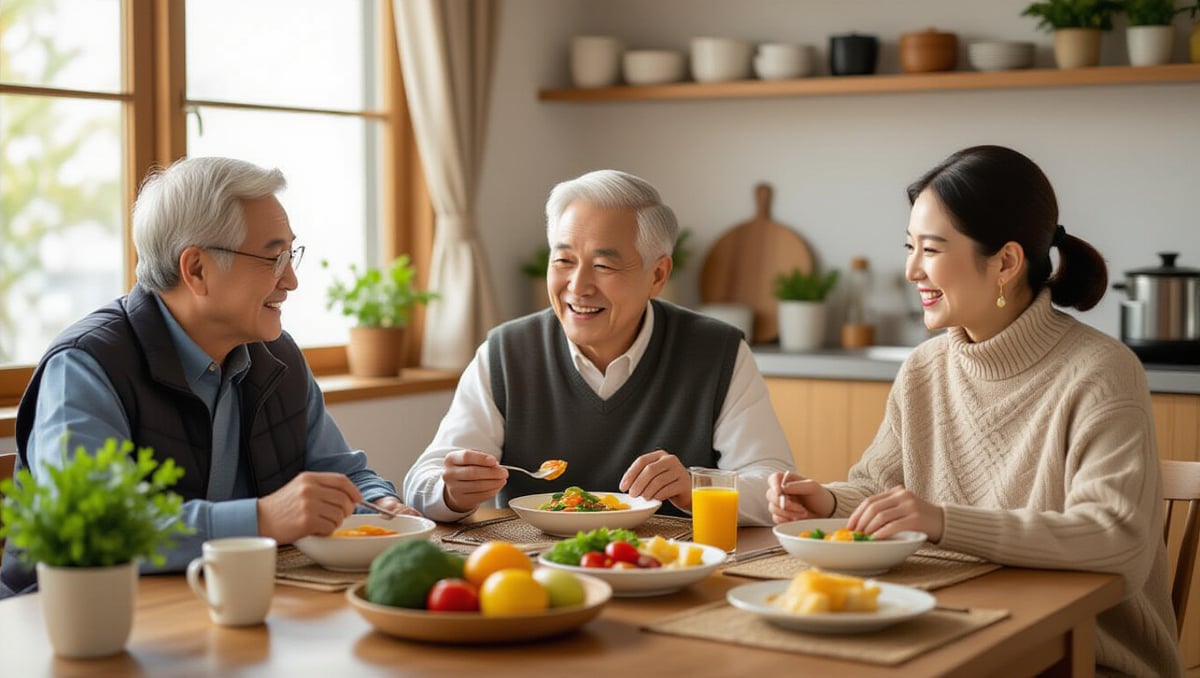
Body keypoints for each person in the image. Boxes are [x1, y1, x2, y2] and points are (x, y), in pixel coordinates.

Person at [766, 145, 1182, 677]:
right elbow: (880, 491)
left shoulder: (1101, 371)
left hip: (1081, 656)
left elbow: (1115, 538)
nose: (912, 269)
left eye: (932, 250)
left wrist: (942, 521)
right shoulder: (924, 368)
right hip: (955, 631)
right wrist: (825, 502)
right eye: (909, 246)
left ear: (1006, 261)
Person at [1, 157, 418, 598]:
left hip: (220, 605)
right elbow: (94, 529)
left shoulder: (278, 356)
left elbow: (341, 472)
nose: (291, 280)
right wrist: (262, 519)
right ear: (196, 269)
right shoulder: (86, 366)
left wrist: (380, 503)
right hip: (75, 624)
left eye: (290, 255)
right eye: (273, 258)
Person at [404, 169, 794, 524]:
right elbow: (423, 482)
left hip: (669, 569)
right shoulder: (507, 352)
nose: (578, 285)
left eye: (603, 266)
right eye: (563, 260)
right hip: (531, 577)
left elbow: (774, 486)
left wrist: (696, 487)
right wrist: (452, 492)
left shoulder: (716, 351)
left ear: (657, 274)